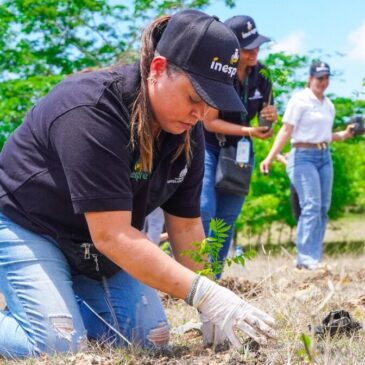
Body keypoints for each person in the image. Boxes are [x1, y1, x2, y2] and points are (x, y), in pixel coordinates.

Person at [0, 10, 276, 359]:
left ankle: (55, 306)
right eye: (194, 97)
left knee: (149, 338)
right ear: (158, 69)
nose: (200, 114)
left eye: (211, 103)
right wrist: (203, 294)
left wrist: (211, 301)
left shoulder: (185, 135)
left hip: (91, 246)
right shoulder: (92, 110)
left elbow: (188, 226)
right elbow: (112, 235)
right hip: (27, 225)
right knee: (55, 345)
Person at [201, 15, 277, 274]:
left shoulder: (263, 75)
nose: (255, 51)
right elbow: (209, 122)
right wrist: (248, 130)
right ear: (233, 48)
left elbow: (266, 119)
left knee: (227, 217)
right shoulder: (218, 73)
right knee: (204, 208)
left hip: (241, 152)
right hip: (210, 147)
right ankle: (194, 272)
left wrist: (270, 121)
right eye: (248, 47)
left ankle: (215, 276)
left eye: (258, 45)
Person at [260, 61, 354, 270]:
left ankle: (315, 256)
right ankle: (305, 258)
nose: (323, 82)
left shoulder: (328, 104)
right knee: (311, 206)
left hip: (324, 155)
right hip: (302, 156)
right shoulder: (300, 100)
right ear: (310, 78)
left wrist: (344, 135)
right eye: (319, 78)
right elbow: (286, 130)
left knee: (322, 208)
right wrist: (269, 157)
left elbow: (323, 135)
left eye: (326, 78)